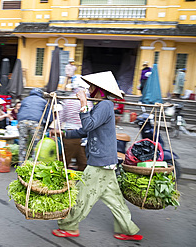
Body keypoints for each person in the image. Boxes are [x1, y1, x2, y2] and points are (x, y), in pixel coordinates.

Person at [50, 71, 142, 241]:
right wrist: (63, 133)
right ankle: (128, 230)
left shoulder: (105, 105)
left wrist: (83, 103)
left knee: (81, 195)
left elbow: (88, 124)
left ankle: (69, 227)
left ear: (99, 89)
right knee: (115, 199)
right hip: (105, 161)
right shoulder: (102, 106)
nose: (89, 89)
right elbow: (85, 130)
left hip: (100, 162)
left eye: (92, 87)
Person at [59, 79, 93, 171]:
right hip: (79, 133)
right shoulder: (85, 101)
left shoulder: (68, 100)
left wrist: (58, 129)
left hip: (69, 131)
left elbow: (61, 117)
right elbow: (89, 115)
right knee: (65, 161)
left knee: (81, 160)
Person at [17, 88, 52, 163]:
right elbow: (49, 117)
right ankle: (33, 166)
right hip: (36, 123)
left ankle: (21, 164)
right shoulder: (44, 101)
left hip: (22, 122)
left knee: (22, 143)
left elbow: (20, 112)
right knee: (36, 145)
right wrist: (46, 127)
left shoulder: (25, 100)